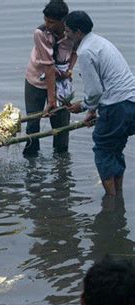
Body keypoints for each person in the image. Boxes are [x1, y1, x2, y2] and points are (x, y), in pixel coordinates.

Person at [64, 11, 135, 196]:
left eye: (68, 31)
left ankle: (111, 201)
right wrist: (92, 110)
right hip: (131, 102)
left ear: (78, 32)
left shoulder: (85, 52)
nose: (66, 35)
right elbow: (102, 87)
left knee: (103, 149)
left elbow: (95, 91)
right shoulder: (100, 42)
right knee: (115, 149)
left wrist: (84, 106)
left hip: (117, 106)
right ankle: (117, 194)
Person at [23, 0, 77, 157]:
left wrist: (69, 70)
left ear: (63, 21)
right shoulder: (40, 33)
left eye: (51, 22)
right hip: (37, 80)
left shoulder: (72, 32)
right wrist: (51, 100)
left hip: (61, 81)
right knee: (33, 123)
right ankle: (31, 158)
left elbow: (75, 51)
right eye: (45, 20)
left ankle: (61, 160)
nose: (47, 24)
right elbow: (48, 66)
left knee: (61, 124)